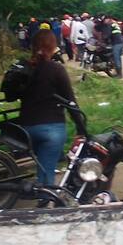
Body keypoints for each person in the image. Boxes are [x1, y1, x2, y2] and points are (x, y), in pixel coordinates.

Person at [19, 29, 77, 187]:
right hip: (51, 129)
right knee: (46, 174)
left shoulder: (24, 68)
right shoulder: (56, 69)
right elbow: (70, 100)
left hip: (25, 128)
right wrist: (80, 126)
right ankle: (46, 202)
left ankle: (42, 192)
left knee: (43, 166)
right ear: (53, 47)